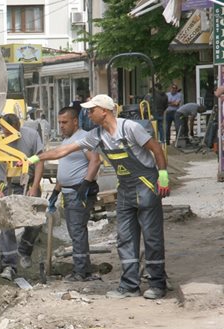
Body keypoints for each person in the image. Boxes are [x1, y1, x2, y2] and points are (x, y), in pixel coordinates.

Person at [27, 95, 170, 300]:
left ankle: (157, 284)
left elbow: (155, 148)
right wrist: (34, 158)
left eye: (91, 110)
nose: (88, 113)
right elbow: (65, 149)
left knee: (151, 237)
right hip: (126, 190)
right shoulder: (97, 135)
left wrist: (163, 175)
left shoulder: (129, 128)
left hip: (146, 185)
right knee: (125, 238)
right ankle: (130, 285)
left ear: (104, 110)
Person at [0, 113, 44, 281]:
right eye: (7, 132)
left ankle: (25, 249)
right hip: (8, 186)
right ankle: (9, 265)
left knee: (36, 219)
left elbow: (40, 161)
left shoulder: (32, 136)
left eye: (14, 131)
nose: (10, 136)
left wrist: (34, 187)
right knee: (6, 224)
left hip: (28, 183)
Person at [48, 107, 101, 281]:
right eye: (59, 123)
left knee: (77, 231)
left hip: (79, 193)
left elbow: (95, 161)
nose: (61, 126)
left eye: (65, 122)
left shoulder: (83, 138)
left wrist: (85, 184)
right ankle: (82, 269)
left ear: (75, 121)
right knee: (75, 232)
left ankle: (81, 272)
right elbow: (66, 169)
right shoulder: (66, 141)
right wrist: (55, 192)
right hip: (68, 192)